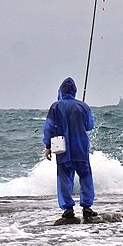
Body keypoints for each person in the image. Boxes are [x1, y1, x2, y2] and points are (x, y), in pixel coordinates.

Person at [42, 77, 97, 220]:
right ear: (74, 92)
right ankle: (87, 207)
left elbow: (48, 127)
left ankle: (68, 209)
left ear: (60, 91)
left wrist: (47, 146)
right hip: (80, 147)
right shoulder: (83, 106)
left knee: (64, 178)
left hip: (63, 148)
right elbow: (89, 126)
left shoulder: (55, 106)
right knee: (85, 176)